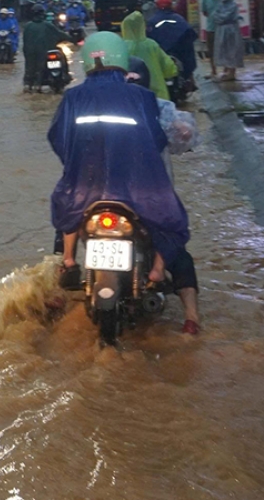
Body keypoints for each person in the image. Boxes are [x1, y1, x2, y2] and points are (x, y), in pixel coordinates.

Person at [49, 32, 199, 334]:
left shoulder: (73, 97)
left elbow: (57, 138)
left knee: (65, 207)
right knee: (172, 225)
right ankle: (161, 275)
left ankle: (67, 262)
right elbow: (161, 139)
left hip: (86, 189)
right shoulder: (145, 99)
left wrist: (76, 164)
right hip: (141, 190)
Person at [119, 11, 177, 102]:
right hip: (157, 96)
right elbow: (168, 67)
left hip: (130, 97)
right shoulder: (151, 45)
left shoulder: (121, 47)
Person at [147, 0, 198, 88]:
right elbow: (191, 34)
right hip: (178, 52)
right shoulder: (179, 19)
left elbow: (148, 37)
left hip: (163, 51)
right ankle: (190, 79)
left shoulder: (152, 21)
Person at [21, 6, 70, 92]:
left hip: (29, 52)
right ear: (42, 14)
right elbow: (60, 34)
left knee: (29, 68)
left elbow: (24, 41)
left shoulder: (27, 26)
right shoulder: (47, 25)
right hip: (44, 52)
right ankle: (38, 85)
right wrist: (72, 39)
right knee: (41, 68)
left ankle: (28, 85)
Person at [211, 0, 245, 81]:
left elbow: (225, 17)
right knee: (223, 50)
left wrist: (220, 17)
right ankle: (227, 71)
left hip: (231, 31)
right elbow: (214, 16)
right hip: (221, 31)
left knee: (232, 50)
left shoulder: (233, 5)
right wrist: (220, 18)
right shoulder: (219, 4)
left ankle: (232, 72)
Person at [201, 0, 223, 77]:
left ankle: (226, 70)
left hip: (223, 28)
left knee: (225, 50)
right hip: (211, 28)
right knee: (212, 51)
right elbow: (205, 12)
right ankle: (214, 70)